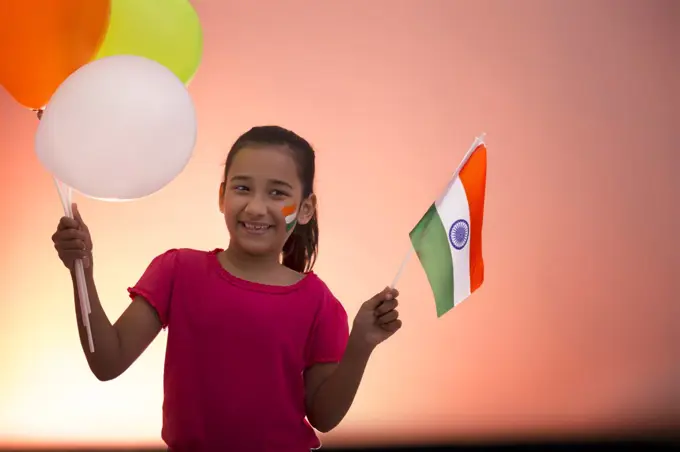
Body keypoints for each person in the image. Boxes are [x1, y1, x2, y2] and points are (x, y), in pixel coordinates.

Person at [51, 125, 402, 451]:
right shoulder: (177, 271)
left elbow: (324, 416)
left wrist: (361, 343)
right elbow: (106, 360)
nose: (255, 207)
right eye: (242, 188)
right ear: (222, 196)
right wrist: (81, 270)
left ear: (306, 209)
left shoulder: (319, 303)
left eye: (278, 193)